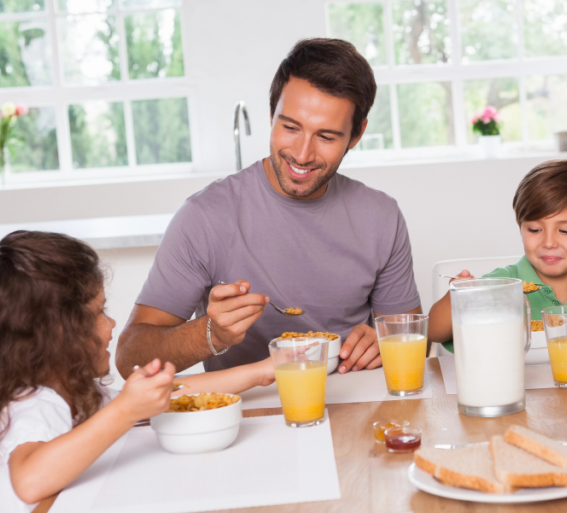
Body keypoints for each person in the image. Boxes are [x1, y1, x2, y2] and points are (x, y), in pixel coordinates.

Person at [0, 232, 276, 513]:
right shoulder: (29, 401)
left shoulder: (74, 392)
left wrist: (263, 370)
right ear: (55, 334)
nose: (111, 325)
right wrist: (125, 410)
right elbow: (31, 480)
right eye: (98, 313)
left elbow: (168, 392)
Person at [116, 38, 422, 379]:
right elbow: (130, 360)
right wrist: (211, 334)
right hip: (250, 413)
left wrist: (385, 340)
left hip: (355, 404)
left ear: (356, 135)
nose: (302, 155)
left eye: (326, 136)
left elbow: (410, 336)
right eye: (290, 127)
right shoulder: (204, 217)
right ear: (272, 113)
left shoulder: (381, 217)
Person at [428, 159, 567, 348]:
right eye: (534, 229)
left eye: (566, 230)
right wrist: (457, 298)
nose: (548, 242)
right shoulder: (501, 287)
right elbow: (434, 332)